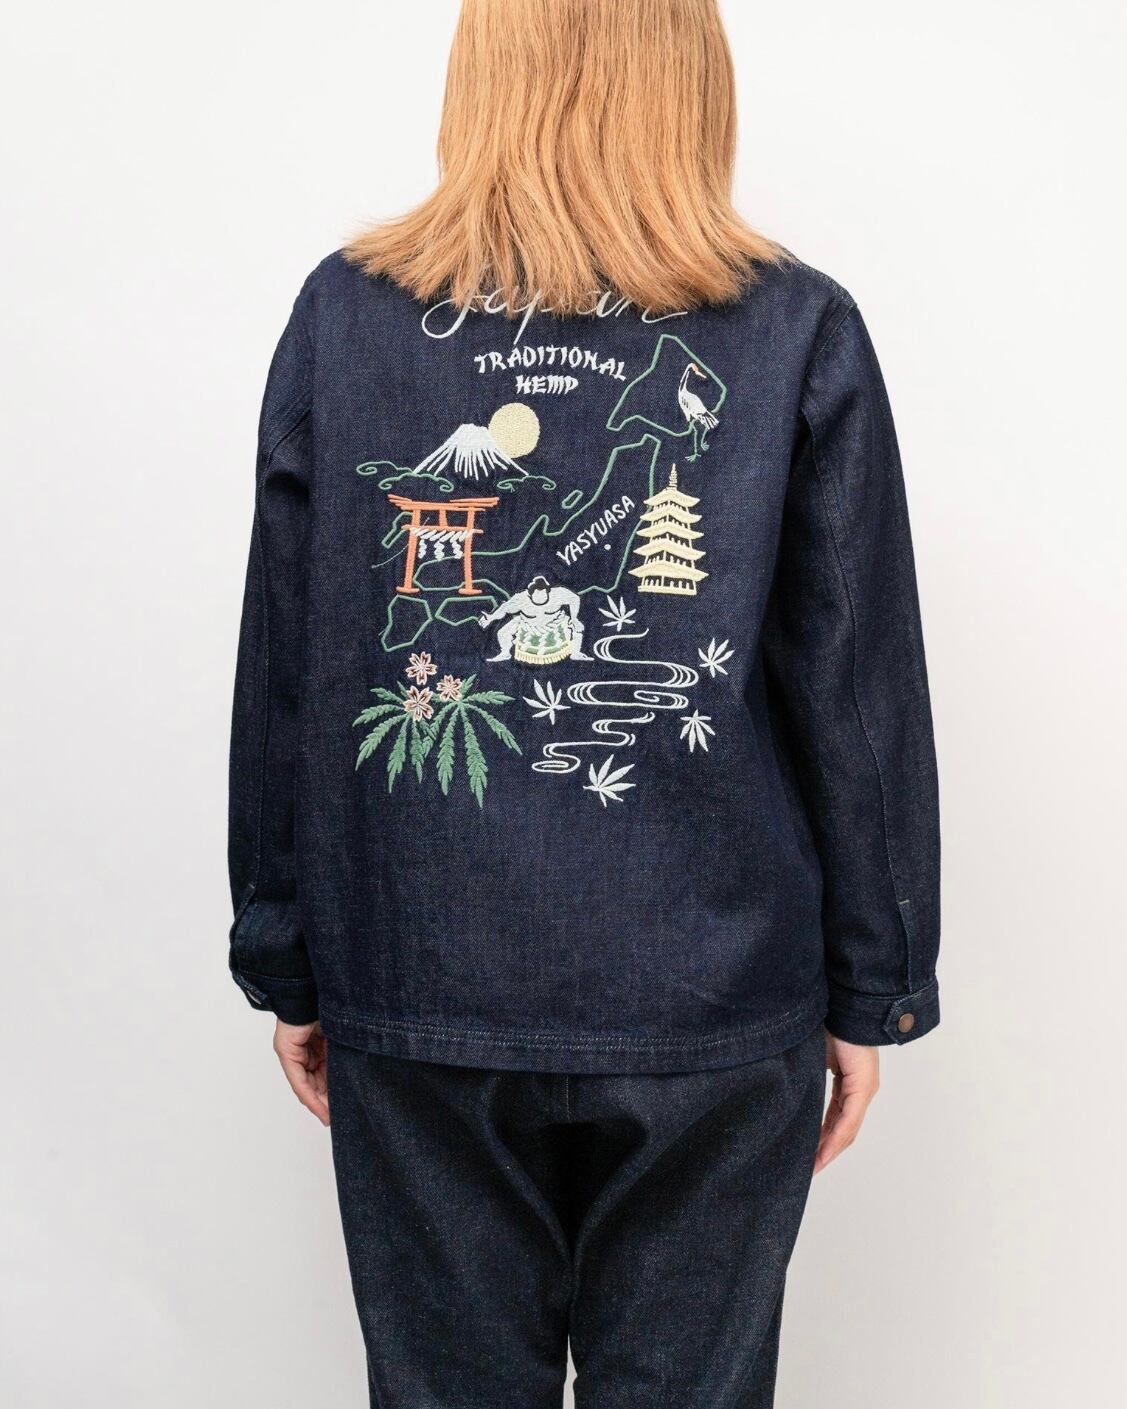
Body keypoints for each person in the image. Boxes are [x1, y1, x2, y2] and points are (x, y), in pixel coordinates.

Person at [227, 1, 940, 1403]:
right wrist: (876, 981)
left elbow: (291, 667)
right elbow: (855, 687)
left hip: (421, 969)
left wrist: (286, 948)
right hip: (713, 990)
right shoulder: (795, 326)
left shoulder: (346, 317)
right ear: (694, 85)